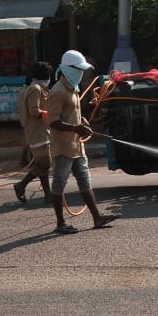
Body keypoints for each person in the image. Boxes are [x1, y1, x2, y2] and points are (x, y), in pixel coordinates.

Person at [47, 50, 119, 234]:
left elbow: (72, 115)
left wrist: (82, 122)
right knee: (59, 183)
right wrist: (75, 128)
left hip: (77, 145)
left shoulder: (73, 88)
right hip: (63, 146)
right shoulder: (57, 92)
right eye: (78, 70)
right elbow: (53, 121)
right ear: (67, 69)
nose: (81, 74)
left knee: (85, 182)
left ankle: (97, 218)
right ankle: (60, 223)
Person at [13, 61, 53, 205]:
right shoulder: (36, 89)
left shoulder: (35, 88)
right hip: (39, 132)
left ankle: (48, 195)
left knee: (41, 164)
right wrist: (53, 114)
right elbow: (34, 111)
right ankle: (21, 185)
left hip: (38, 131)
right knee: (45, 163)